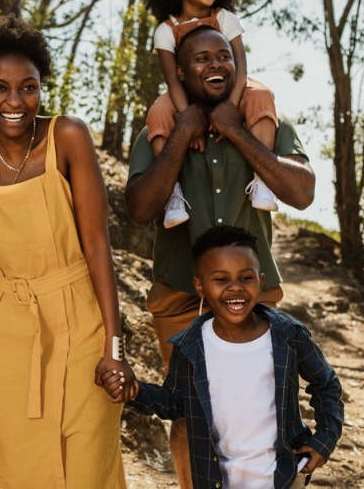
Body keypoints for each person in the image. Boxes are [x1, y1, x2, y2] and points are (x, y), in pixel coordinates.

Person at [0, 14, 136, 488]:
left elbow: (96, 245)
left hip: (81, 320)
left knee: (87, 459)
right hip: (11, 330)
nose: (14, 101)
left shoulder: (67, 136)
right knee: (24, 464)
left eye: (28, 87)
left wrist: (114, 347)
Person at [124, 25, 316, 489]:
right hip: (179, 293)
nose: (215, 65)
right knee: (190, 408)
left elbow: (303, 193)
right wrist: (181, 135)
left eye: (222, 57)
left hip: (250, 294)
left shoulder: (263, 117)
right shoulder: (163, 125)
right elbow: (140, 208)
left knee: (259, 405)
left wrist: (236, 132)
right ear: (181, 75)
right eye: (201, 59)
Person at [102, 225, 344, 489]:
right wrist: (135, 392)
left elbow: (326, 384)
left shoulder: (288, 335)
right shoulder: (190, 347)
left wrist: (324, 440)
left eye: (245, 278)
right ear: (200, 286)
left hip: (283, 478)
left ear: (261, 281)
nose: (235, 288)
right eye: (221, 279)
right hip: (217, 481)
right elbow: (173, 403)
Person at [141, 0, 280, 228]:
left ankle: (263, 180)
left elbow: (240, 68)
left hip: (229, 88)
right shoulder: (166, 31)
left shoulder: (224, 18)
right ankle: (173, 195)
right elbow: (172, 81)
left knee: (262, 95)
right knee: (158, 111)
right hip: (187, 94)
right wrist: (188, 120)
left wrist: (230, 105)